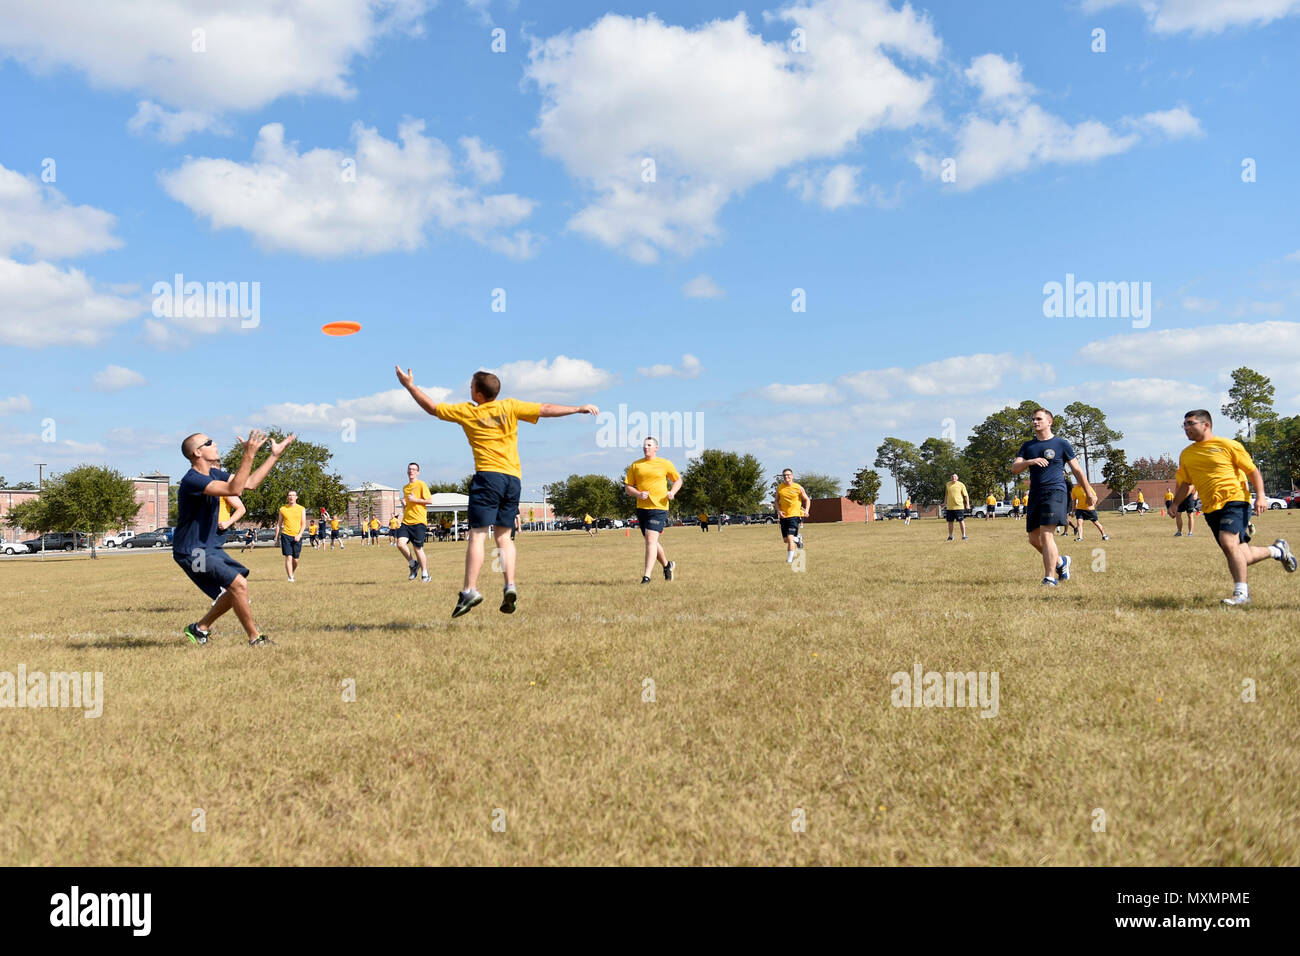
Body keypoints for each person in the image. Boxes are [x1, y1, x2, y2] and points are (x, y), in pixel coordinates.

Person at [397, 365, 597, 616]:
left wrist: (410, 386)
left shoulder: (468, 412)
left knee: (478, 534)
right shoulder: (510, 406)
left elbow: (433, 408)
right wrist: (578, 408)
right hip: (513, 480)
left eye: (471, 386)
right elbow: (545, 409)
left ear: (478, 394)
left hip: (487, 478)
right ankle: (509, 585)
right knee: (503, 537)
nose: (468, 389)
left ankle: (470, 589)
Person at [173, 429, 293, 647]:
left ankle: (200, 628)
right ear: (197, 453)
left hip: (208, 547)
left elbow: (249, 484)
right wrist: (248, 454)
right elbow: (234, 489)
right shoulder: (193, 481)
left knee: (236, 588)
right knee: (238, 585)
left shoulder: (213, 474)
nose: (215, 443)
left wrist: (273, 456)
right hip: (193, 550)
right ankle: (255, 638)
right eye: (209, 442)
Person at [1172, 410, 1294, 606]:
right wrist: (1176, 503)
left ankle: (1241, 594)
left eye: (1190, 423)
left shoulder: (1227, 445)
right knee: (1240, 554)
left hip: (1235, 500)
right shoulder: (1186, 454)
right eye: (1184, 424)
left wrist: (1261, 496)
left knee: (1228, 543)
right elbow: (1186, 483)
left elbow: (1252, 470)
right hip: (1211, 508)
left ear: (1206, 425)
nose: (1186, 428)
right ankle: (1277, 550)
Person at [1012, 408, 1097, 587]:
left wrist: (1088, 491)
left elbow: (1077, 470)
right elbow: (1015, 468)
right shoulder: (1028, 446)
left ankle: (1049, 577)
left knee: (1046, 533)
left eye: (1039, 419)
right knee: (1033, 539)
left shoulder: (1061, 444)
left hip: (1055, 492)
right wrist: (1030, 461)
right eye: (1033, 419)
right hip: (1035, 494)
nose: (1035, 422)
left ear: (1049, 422)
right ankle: (1060, 562)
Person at [624, 436, 681, 583]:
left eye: (649, 445)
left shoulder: (664, 463)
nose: (646, 447)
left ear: (656, 448)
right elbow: (628, 488)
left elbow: (678, 480)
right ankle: (667, 565)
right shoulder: (636, 465)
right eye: (644, 445)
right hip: (642, 508)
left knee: (650, 540)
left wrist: (672, 492)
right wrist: (638, 494)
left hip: (659, 507)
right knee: (652, 542)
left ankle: (646, 577)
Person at [395, 462, 433, 582]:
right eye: (409, 469)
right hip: (407, 521)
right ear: (407, 472)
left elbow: (429, 501)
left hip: (419, 521)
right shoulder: (405, 488)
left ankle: (425, 574)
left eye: (414, 469)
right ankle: (413, 563)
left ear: (418, 472)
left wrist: (415, 499)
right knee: (400, 544)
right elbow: (407, 505)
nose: (411, 471)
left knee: (417, 548)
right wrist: (404, 504)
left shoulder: (421, 484)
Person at [775, 468, 812, 563]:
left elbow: (807, 499)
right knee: (786, 540)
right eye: (784, 475)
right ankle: (798, 539)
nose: (786, 477)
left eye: (788, 475)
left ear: (792, 476)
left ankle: (789, 561)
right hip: (784, 516)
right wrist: (779, 511)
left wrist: (806, 510)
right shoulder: (780, 487)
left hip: (795, 516)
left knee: (790, 538)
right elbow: (776, 501)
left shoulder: (798, 487)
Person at [273, 490, 307, 582]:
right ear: (287, 498)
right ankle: (290, 578)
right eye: (289, 495)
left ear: (296, 497)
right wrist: (276, 538)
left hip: (297, 536)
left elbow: (303, 524)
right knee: (288, 557)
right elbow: (279, 524)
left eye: (293, 495)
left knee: (295, 560)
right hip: (286, 535)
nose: (291, 497)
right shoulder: (283, 509)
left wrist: (299, 535)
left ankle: (291, 573)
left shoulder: (301, 509)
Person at [943, 473, 970, 541]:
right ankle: (950, 536)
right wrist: (944, 503)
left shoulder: (961, 484)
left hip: (959, 506)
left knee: (961, 521)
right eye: (952, 477)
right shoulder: (948, 484)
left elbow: (966, 495)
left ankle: (964, 535)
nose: (953, 478)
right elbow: (946, 495)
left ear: (957, 478)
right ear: (950, 478)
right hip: (950, 507)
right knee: (950, 522)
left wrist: (967, 504)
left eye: (955, 477)